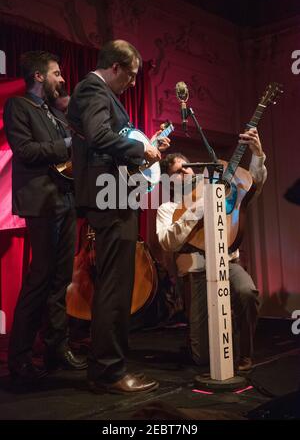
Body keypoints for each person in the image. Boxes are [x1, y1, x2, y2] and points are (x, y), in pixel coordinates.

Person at [67, 39, 169, 394]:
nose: (133, 83)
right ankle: (108, 372)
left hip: (114, 194)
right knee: (115, 286)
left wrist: (144, 151)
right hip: (107, 198)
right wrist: (141, 148)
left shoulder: (98, 92)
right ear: (115, 67)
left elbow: (109, 141)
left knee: (117, 284)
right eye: (132, 75)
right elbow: (98, 136)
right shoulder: (94, 89)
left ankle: (108, 367)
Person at [4, 51, 87, 384]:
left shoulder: (54, 111)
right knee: (40, 277)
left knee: (60, 279)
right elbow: (24, 151)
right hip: (41, 201)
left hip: (65, 199)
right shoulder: (19, 107)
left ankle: (56, 348)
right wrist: (67, 143)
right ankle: (20, 358)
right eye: (56, 73)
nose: (62, 79)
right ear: (39, 76)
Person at [156, 128, 267, 371]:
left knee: (247, 293)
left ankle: (245, 354)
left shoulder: (220, 191)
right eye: (178, 171)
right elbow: (168, 242)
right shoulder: (167, 208)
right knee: (201, 358)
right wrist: (197, 209)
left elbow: (252, 188)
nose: (186, 172)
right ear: (168, 180)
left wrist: (257, 154)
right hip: (197, 273)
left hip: (228, 262)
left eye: (188, 167)